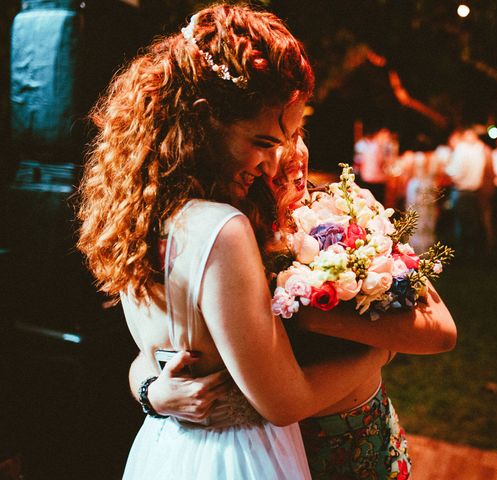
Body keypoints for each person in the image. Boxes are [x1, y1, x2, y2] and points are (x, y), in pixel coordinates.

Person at [77, 4, 456, 479]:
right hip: (264, 450)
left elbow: (439, 327)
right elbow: (168, 352)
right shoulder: (219, 226)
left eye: (293, 139)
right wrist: (152, 390)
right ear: (203, 124)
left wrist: (316, 318)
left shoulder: (328, 215)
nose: (277, 163)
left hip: (334, 437)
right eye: (264, 142)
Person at [445, 128, 489, 259]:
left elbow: (456, 172)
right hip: (475, 191)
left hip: (462, 190)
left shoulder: (461, 150)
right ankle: (474, 253)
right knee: (473, 223)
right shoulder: (480, 150)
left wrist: (447, 170)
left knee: (463, 224)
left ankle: (463, 254)